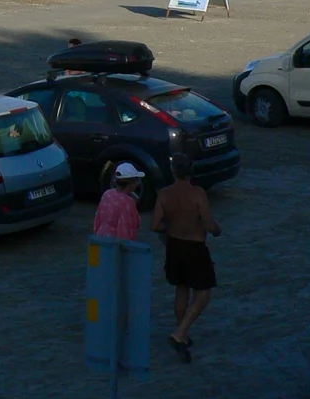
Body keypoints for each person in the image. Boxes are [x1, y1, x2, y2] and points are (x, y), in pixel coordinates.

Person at [151, 153, 222, 364]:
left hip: (173, 246)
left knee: (181, 289)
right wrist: (218, 230)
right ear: (191, 171)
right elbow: (210, 224)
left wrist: (170, 226)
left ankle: (183, 336)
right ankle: (180, 333)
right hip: (195, 247)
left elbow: (154, 225)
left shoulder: (164, 194)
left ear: (173, 171)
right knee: (203, 295)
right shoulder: (197, 193)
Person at [92, 161, 143, 241]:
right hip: (114, 244)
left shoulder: (107, 194)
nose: (137, 184)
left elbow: (98, 219)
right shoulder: (128, 202)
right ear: (130, 183)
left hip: (100, 237)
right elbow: (125, 229)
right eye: (136, 181)